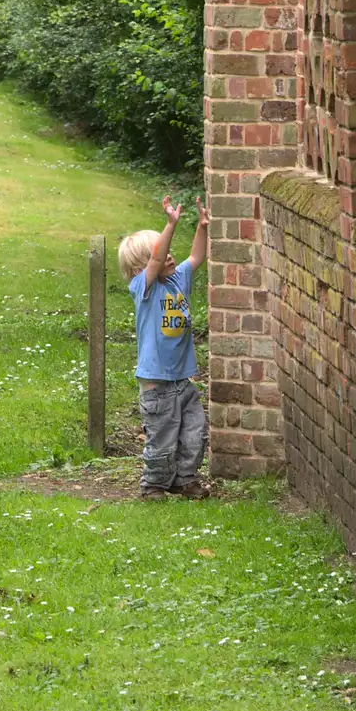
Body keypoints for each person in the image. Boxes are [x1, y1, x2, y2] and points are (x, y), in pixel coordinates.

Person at [118, 195, 209, 500]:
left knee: (194, 433)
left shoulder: (177, 280)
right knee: (162, 439)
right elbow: (155, 262)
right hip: (157, 385)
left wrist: (202, 227)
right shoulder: (144, 289)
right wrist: (170, 224)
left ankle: (184, 480)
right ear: (139, 270)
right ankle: (153, 485)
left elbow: (196, 258)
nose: (169, 257)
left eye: (170, 252)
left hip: (182, 380)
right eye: (162, 253)